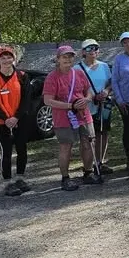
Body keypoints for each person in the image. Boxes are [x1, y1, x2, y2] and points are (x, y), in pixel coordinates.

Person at [43, 45, 101, 191]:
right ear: (58, 59)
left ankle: (88, 172)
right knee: (66, 147)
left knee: (88, 143)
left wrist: (87, 99)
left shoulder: (79, 73)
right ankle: (65, 178)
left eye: (70, 56)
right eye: (64, 57)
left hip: (83, 114)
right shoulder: (52, 77)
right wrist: (70, 106)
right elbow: (48, 100)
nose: (67, 59)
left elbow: (89, 91)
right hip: (63, 117)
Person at [0, 46, 32, 196]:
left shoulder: (22, 76)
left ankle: (20, 178)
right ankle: (8, 182)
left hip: (20, 119)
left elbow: (26, 99)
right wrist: (6, 118)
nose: (6, 60)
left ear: (14, 59)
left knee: (21, 148)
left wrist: (16, 117)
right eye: (3, 58)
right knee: (6, 151)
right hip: (1, 121)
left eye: (9, 57)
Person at [78, 39, 114, 174]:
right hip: (86, 108)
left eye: (95, 48)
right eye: (89, 48)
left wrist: (106, 91)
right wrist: (91, 97)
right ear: (83, 52)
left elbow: (110, 83)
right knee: (87, 138)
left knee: (103, 134)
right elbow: (75, 89)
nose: (92, 51)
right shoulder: (77, 69)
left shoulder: (104, 66)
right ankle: (87, 166)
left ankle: (99, 162)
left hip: (103, 106)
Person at [111, 31, 129, 170]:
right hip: (125, 101)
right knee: (128, 128)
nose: (128, 44)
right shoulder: (119, 59)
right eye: (125, 42)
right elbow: (114, 80)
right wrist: (119, 99)